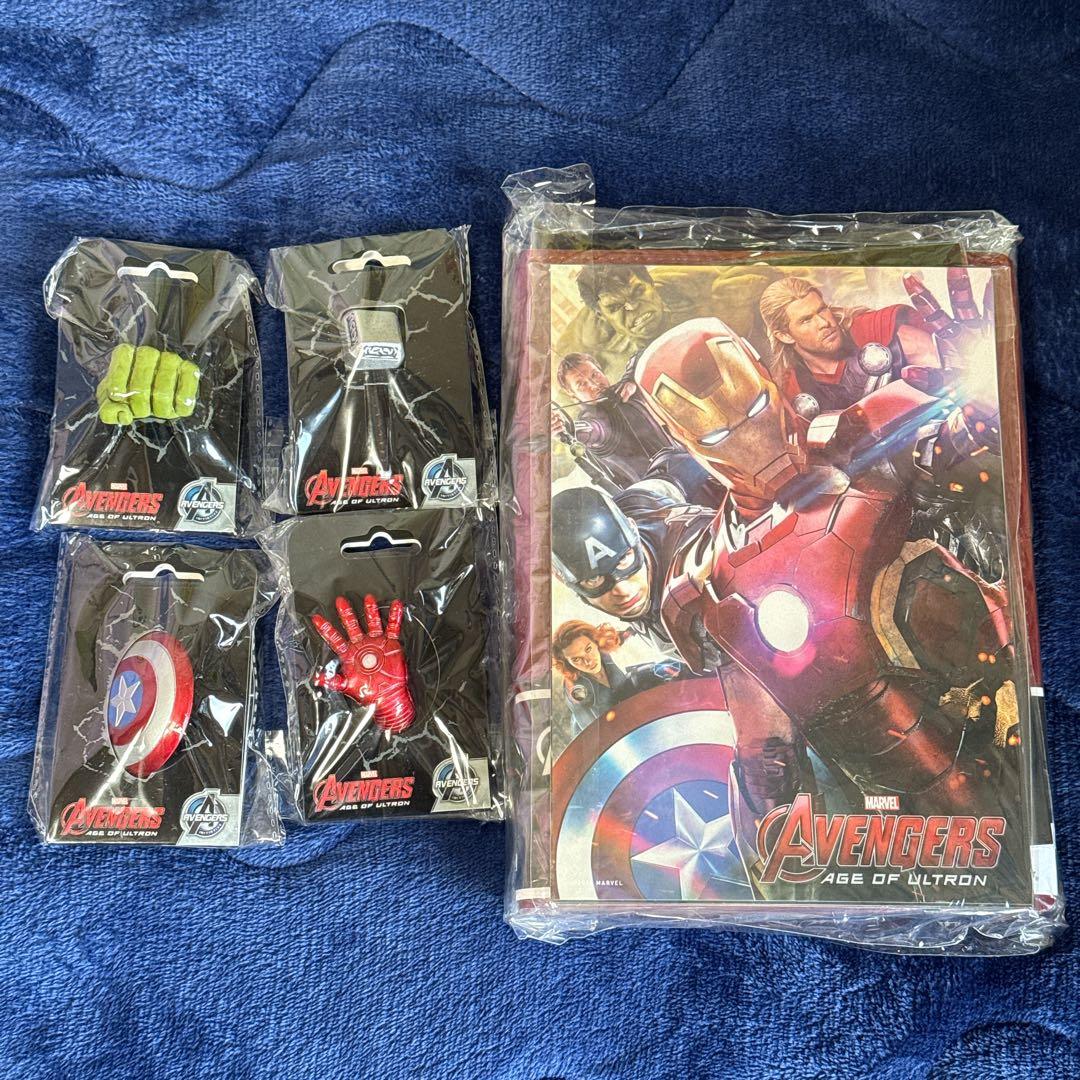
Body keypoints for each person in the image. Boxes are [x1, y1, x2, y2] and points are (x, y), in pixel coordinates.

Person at [551, 351, 722, 505]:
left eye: (595, 374)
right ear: (573, 396)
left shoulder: (626, 390)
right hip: (663, 501)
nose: (594, 384)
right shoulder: (592, 421)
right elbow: (590, 431)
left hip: (696, 472)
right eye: (582, 384)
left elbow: (642, 354)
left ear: (601, 371)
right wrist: (565, 428)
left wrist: (630, 378)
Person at [758, 274, 940, 415]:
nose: (824, 322)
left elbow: (939, 361)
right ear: (784, 335)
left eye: (822, 309)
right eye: (806, 320)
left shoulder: (873, 330)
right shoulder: (794, 389)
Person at [552, 620, 681, 735]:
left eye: (588, 649)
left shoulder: (602, 650)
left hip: (629, 708)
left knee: (663, 669)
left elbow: (621, 637)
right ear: (567, 663)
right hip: (607, 730)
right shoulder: (576, 691)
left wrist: (634, 629)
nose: (588, 661)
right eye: (576, 659)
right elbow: (594, 735)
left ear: (595, 642)